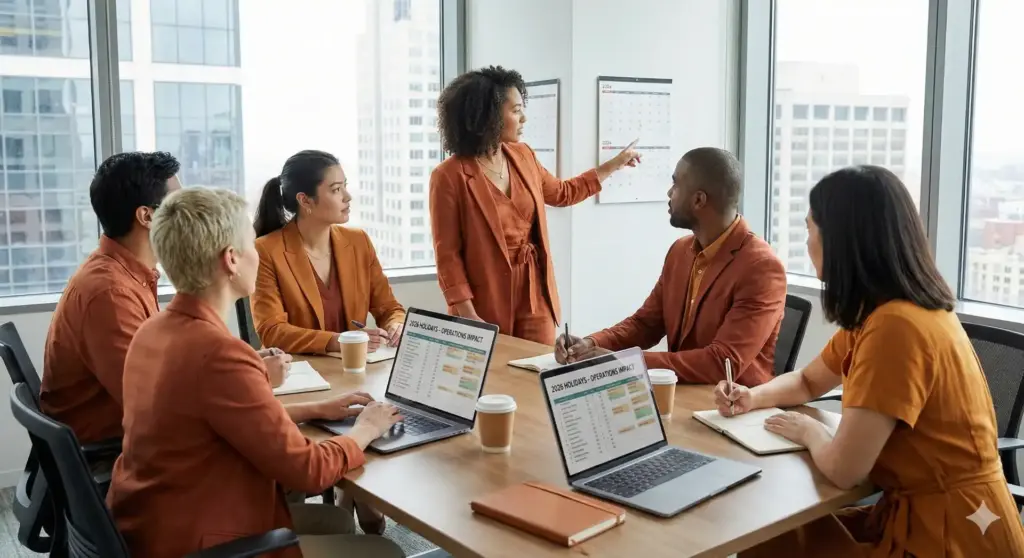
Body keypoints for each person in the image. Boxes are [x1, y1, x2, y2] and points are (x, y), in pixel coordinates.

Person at [719, 166, 1024, 557]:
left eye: (810, 229)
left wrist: (808, 431)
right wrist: (752, 396)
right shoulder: (886, 311)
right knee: (771, 532)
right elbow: (809, 382)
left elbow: (846, 469)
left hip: (951, 535)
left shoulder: (896, 327)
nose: (807, 241)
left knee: (767, 534)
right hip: (929, 515)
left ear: (843, 241)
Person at [107, 188, 405, 558]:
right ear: (231, 259)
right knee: (384, 552)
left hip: (154, 520)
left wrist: (315, 408)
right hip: (201, 539)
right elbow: (308, 471)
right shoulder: (220, 354)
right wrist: (367, 429)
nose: (258, 254)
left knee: (337, 523)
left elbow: (218, 420)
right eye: (252, 244)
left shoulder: (153, 330)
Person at [40, 152, 291, 453]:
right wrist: (257, 377)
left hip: (127, 435)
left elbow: (163, 369)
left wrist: (242, 367)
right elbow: (150, 399)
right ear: (147, 217)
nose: (188, 213)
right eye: (177, 204)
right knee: (271, 453)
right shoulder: (109, 292)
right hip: (110, 450)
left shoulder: (126, 272)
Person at [430, 66, 640, 345]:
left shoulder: (523, 155)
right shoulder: (448, 176)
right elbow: (448, 256)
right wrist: (467, 314)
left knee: (538, 371)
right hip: (484, 299)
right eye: (516, 110)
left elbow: (563, 193)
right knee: (496, 380)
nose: (523, 117)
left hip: (535, 291)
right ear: (488, 116)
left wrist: (614, 164)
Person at [556, 148, 786, 387]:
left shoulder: (761, 267)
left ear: (699, 200)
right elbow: (645, 324)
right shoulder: (680, 251)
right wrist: (591, 344)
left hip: (736, 407)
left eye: (675, 185)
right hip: (684, 394)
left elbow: (721, 363)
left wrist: (622, 363)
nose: (669, 192)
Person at [252, 150, 405, 355]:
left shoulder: (358, 242)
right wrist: (339, 341)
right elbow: (272, 332)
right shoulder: (266, 251)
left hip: (353, 369)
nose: (347, 196)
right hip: (297, 373)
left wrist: (396, 325)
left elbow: (389, 308)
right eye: (336, 189)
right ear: (305, 200)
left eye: (345, 186)